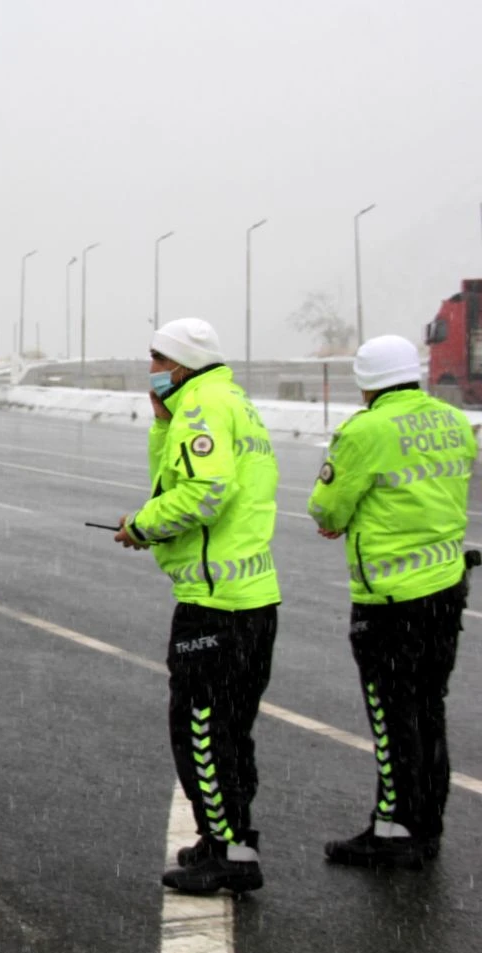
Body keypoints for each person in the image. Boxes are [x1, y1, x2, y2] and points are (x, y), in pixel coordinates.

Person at [113, 318, 281, 894]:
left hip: (216, 603)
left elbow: (204, 492)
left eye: (159, 360)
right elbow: (185, 477)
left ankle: (229, 852)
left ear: (181, 363)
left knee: (201, 726)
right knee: (233, 727)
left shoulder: (203, 407)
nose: (154, 371)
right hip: (252, 599)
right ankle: (226, 838)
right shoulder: (232, 400)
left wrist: (142, 526)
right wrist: (162, 427)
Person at [308, 334, 477, 869]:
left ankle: (395, 829)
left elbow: (327, 508)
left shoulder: (366, 429)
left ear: (366, 383)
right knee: (429, 709)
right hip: (446, 593)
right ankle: (427, 823)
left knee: (392, 715)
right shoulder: (453, 421)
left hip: (390, 601)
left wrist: (338, 518)